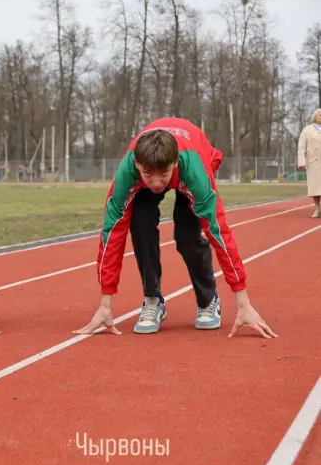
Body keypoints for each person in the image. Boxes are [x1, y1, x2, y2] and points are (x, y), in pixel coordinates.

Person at [74, 117, 277, 339]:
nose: (157, 182)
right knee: (140, 224)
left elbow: (219, 232)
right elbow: (111, 233)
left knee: (187, 235)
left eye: (163, 173)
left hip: (192, 161)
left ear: (175, 163)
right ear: (137, 165)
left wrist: (243, 302)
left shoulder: (193, 170)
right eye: (148, 173)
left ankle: (208, 300)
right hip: (151, 171)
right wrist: (106, 303)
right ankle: (153, 300)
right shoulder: (128, 171)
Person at [297, 108, 321, 218]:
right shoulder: (307, 130)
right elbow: (301, 146)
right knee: (315, 188)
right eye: (320, 115)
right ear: (315, 117)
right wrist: (301, 162)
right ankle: (317, 208)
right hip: (313, 163)